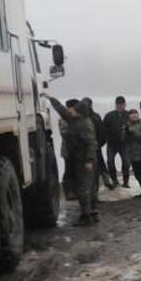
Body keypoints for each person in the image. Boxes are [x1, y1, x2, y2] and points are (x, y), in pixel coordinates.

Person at [43, 94, 99, 225]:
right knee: (86, 186)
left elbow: (91, 143)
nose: (71, 110)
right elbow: (61, 109)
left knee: (85, 188)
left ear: (79, 112)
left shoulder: (85, 125)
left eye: (74, 109)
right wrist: (50, 98)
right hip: (78, 158)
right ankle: (92, 212)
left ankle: (87, 216)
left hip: (85, 159)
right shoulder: (73, 118)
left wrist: (89, 161)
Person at [103, 95, 132, 188]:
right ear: (115, 105)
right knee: (110, 162)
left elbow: (135, 127)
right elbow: (103, 129)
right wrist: (106, 139)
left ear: (125, 104)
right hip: (112, 144)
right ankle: (114, 180)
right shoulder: (109, 116)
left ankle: (126, 182)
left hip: (125, 144)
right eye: (118, 105)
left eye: (122, 105)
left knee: (126, 162)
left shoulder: (129, 115)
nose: (120, 107)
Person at [84, 97, 111, 191]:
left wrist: (100, 143)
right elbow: (102, 131)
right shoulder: (95, 116)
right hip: (95, 144)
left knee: (96, 165)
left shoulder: (88, 117)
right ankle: (106, 182)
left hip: (92, 145)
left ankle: (103, 183)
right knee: (100, 164)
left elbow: (101, 131)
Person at [124, 108, 141, 176]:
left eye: (135, 113)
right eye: (132, 114)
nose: (134, 115)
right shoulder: (127, 125)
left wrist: (134, 134)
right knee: (138, 175)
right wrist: (126, 133)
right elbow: (123, 140)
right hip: (132, 155)